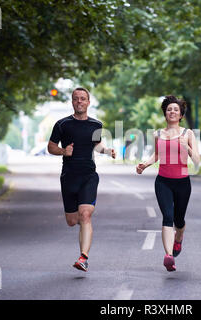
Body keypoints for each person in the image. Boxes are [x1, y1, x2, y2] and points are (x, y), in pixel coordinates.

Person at [48, 87, 116, 272]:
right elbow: (51, 147)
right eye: (76, 99)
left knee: (85, 214)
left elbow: (97, 144)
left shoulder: (96, 124)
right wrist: (63, 151)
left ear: (88, 102)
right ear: (72, 102)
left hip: (88, 176)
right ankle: (83, 227)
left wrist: (107, 151)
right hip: (69, 177)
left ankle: (83, 258)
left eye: (83, 99)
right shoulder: (62, 124)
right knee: (72, 221)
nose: (79, 101)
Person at [136, 95, 200, 271]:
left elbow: (197, 160)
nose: (172, 112)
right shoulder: (158, 134)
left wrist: (186, 147)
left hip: (182, 182)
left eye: (176, 110)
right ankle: (168, 255)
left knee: (179, 220)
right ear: (165, 113)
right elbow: (157, 155)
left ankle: (178, 238)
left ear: (180, 115)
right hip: (163, 181)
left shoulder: (188, 134)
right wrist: (145, 165)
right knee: (167, 217)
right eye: (169, 109)